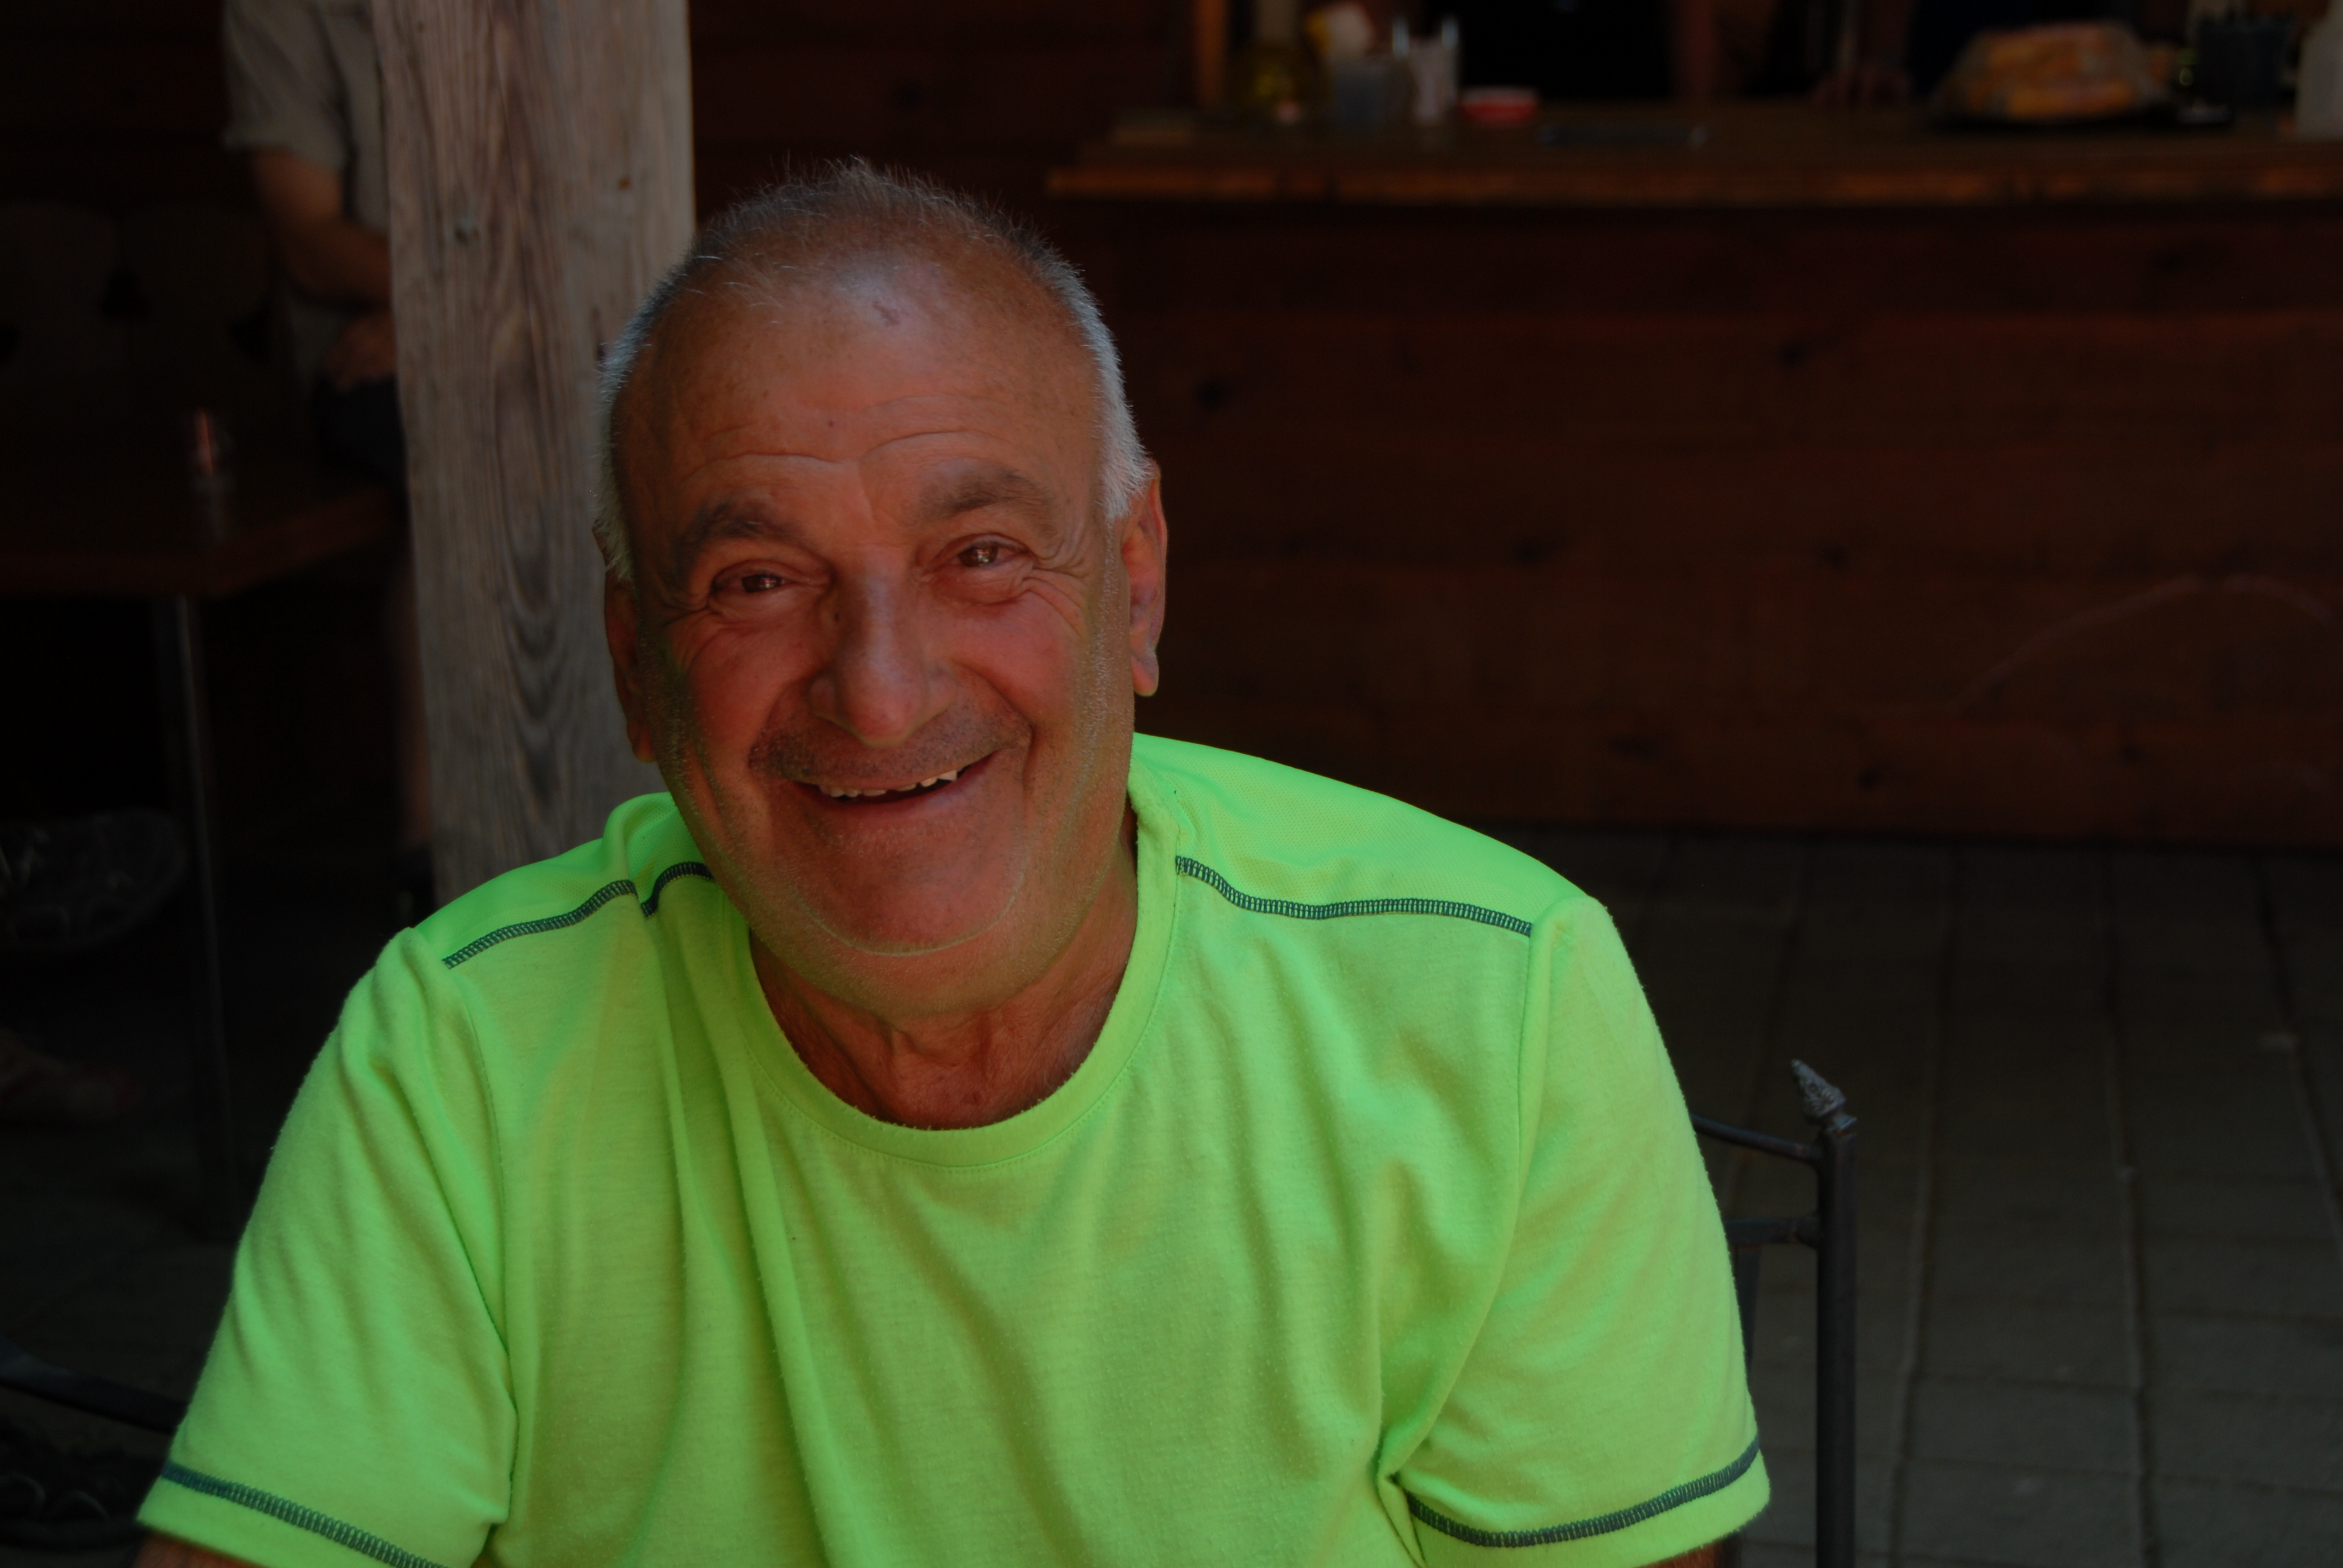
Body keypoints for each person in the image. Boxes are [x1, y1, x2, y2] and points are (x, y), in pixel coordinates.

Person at [131, 166, 1765, 1568]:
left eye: (979, 556)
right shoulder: (459, 1060)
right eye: (758, 580)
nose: (881, 691)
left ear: (1134, 585)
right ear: (636, 669)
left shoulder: (1494, 1007)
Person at [220, 0, 433, 911]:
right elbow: (307, 241)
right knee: (456, 484)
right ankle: (432, 860)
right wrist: (447, 313)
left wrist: (446, 317)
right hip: (365, 360)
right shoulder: (277, 12)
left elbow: (597, 207)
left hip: (536, 328)